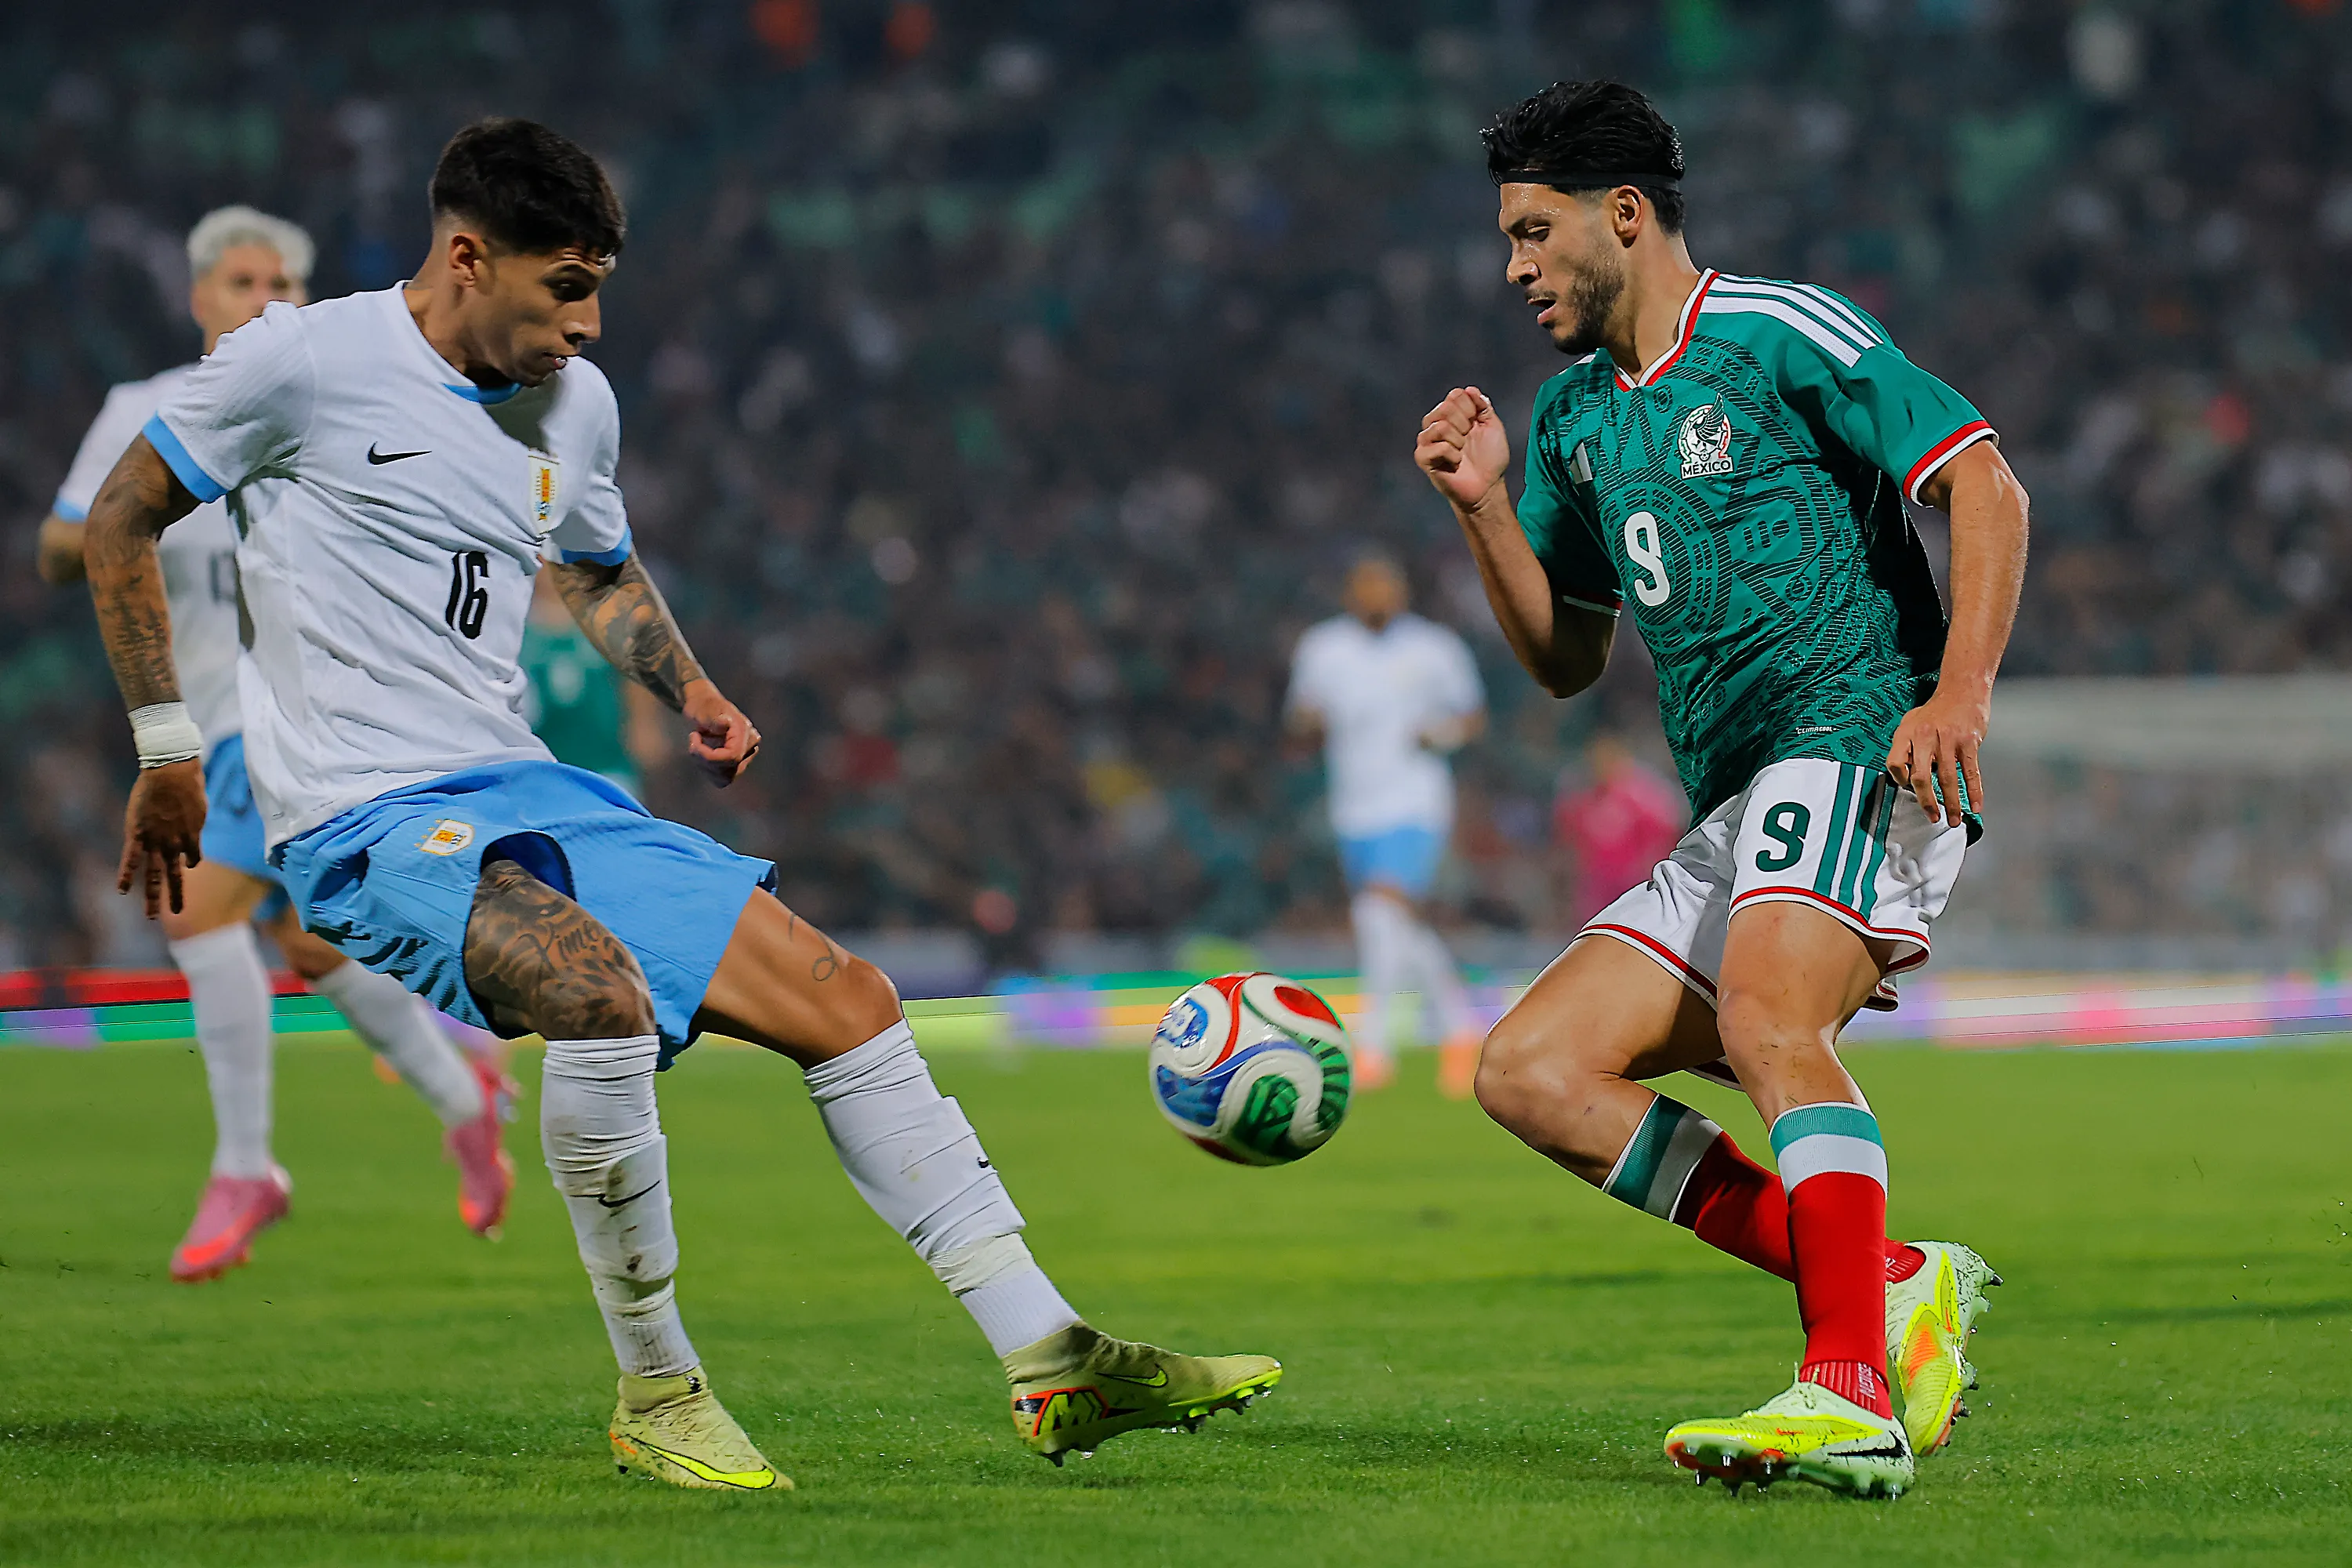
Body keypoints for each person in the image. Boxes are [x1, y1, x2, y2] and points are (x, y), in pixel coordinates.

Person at [82, 118, 1277, 1492]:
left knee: (848, 997)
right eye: (563, 289)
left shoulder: (573, 406)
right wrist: (168, 746)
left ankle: (1051, 1355)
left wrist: (692, 691)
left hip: (528, 783)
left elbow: (593, 569)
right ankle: (658, 1389)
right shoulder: (305, 361)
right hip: (360, 815)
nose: (588, 325)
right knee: (594, 991)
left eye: (599, 290)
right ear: (467, 256)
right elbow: (124, 514)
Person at [1414, 81, 2028, 1498]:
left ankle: (1850, 1393)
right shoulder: (1569, 418)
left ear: (1622, 216)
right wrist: (1486, 511)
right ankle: (1879, 1282)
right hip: (1741, 802)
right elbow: (1567, 656)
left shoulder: (1773, 331)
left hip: (1865, 734)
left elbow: (1983, 482)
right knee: (1535, 1072)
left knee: (1764, 1019)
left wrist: (1960, 693)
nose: (1512, 266)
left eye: (1533, 229)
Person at [38, 205, 513, 1284]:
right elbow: (60, 548)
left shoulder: (338, 409)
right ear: (201, 298)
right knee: (309, 945)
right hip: (196, 713)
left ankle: (247, 1165)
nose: (266, 300)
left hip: (303, 716)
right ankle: (462, 1096)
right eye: (243, 282)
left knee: (199, 911)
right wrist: (133, 509)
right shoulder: (148, 412)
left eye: (285, 284)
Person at [1286, 554, 1487, 1098]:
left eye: (1385, 585)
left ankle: (1373, 1045)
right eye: (1366, 586)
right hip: (1353, 804)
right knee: (1389, 922)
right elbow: (1301, 715)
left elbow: (1471, 715)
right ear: (1351, 593)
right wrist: (1309, 722)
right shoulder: (1324, 648)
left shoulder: (1432, 647)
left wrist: (1439, 736)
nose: (1377, 595)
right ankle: (1462, 1028)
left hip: (1415, 800)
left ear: (1401, 592)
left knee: (1379, 912)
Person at [522, 565, 666, 798]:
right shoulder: (513, 624)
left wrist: (645, 721)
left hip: (605, 761)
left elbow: (637, 672)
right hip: (537, 766)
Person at [1553, 733, 1684, 927]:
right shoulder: (1581, 799)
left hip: (1634, 886)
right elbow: (1568, 842)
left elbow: (1663, 839)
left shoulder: (1644, 796)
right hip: (1595, 888)